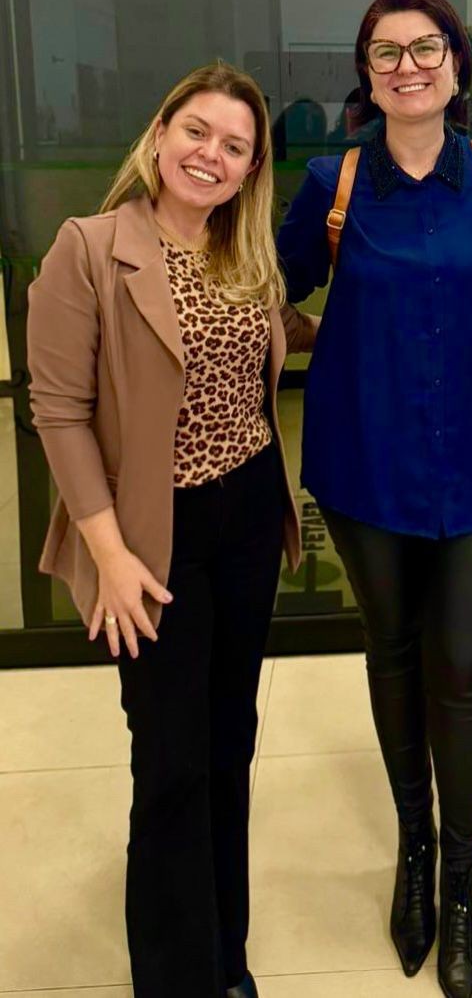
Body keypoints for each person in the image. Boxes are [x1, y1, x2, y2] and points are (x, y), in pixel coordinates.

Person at [27, 62, 318, 998]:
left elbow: (285, 334)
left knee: (229, 741)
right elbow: (59, 413)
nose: (210, 155)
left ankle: (225, 958)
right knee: (169, 760)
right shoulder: (87, 249)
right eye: (197, 132)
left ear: (249, 170)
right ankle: (172, 975)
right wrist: (109, 556)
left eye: (234, 146)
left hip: (246, 515)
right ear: (159, 135)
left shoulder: (246, 255)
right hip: (150, 534)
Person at [277, 0, 472, 998]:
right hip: (363, 461)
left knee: (462, 664)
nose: (407, 66)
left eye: (425, 48)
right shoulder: (331, 184)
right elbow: (265, 290)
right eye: (386, 52)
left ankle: (460, 882)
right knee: (393, 651)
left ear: (455, 66)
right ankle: (413, 848)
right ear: (366, 76)